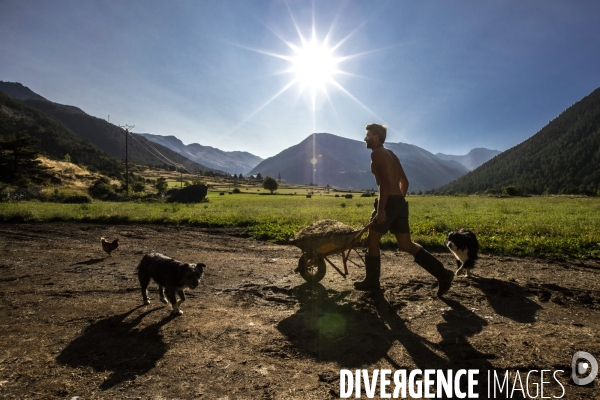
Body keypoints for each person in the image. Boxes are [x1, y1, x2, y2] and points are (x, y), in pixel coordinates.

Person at [354, 123, 454, 297]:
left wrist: (382, 210)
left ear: (376, 137)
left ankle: (372, 282)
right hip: (399, 201)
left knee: (372, 241)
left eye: (368, 135)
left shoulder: (376, 153)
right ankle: (443, 274)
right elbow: (404, 183)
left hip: (388, 203)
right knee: (406, 244)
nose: (365, 138)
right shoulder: (391, 154)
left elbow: (384, 184)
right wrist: (398, 202)